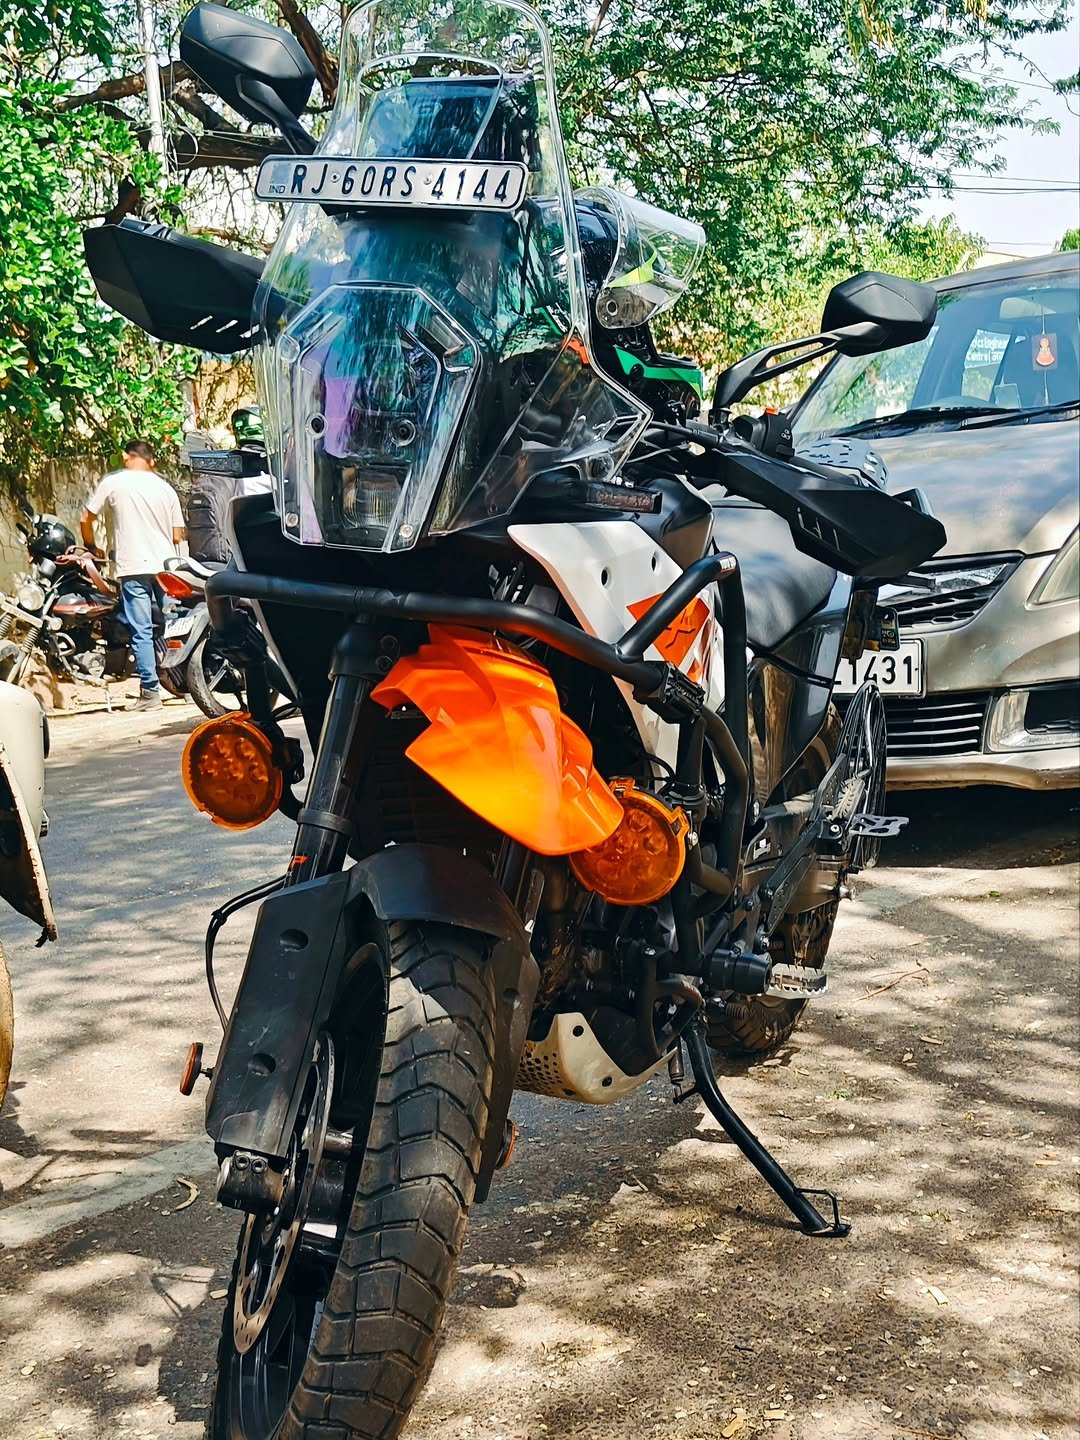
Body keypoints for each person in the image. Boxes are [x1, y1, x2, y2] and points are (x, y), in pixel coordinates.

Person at [80, 440, 185, 711]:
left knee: (142, 631)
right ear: (152, 461)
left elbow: (86, 519)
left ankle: (150, 693)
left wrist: (92, 546)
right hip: (166, 567)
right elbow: (177, 535)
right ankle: (185, 684)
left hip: (133, 566)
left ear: (126, 457)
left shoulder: (115, 483)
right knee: (176, 625)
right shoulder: (166, 488)